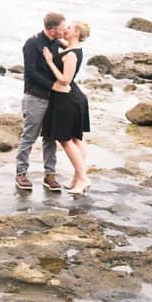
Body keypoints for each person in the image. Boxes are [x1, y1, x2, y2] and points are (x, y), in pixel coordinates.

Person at [15, 12, 66, 191]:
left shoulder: (56, 42)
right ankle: (21, 173)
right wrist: (53, 86)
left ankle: (49, 175)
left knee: (50, 138)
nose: (65, 30)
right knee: (29, 136)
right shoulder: (32, 43)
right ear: (52, 30)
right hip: (35, 97)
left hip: (53, 99)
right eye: (62, 28)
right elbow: (30, 72)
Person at [41, 22, 92, 195]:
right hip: (71, 97)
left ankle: (83, 178)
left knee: (66, 140)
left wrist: (50, 62)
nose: (65, 29)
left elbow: (65, 80)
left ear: (76, 32)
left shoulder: (71, 54)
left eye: (69, 28)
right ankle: (78, 177)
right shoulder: (69, 48)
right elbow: (58, 42)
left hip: (68, 98)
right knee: (77, 140)